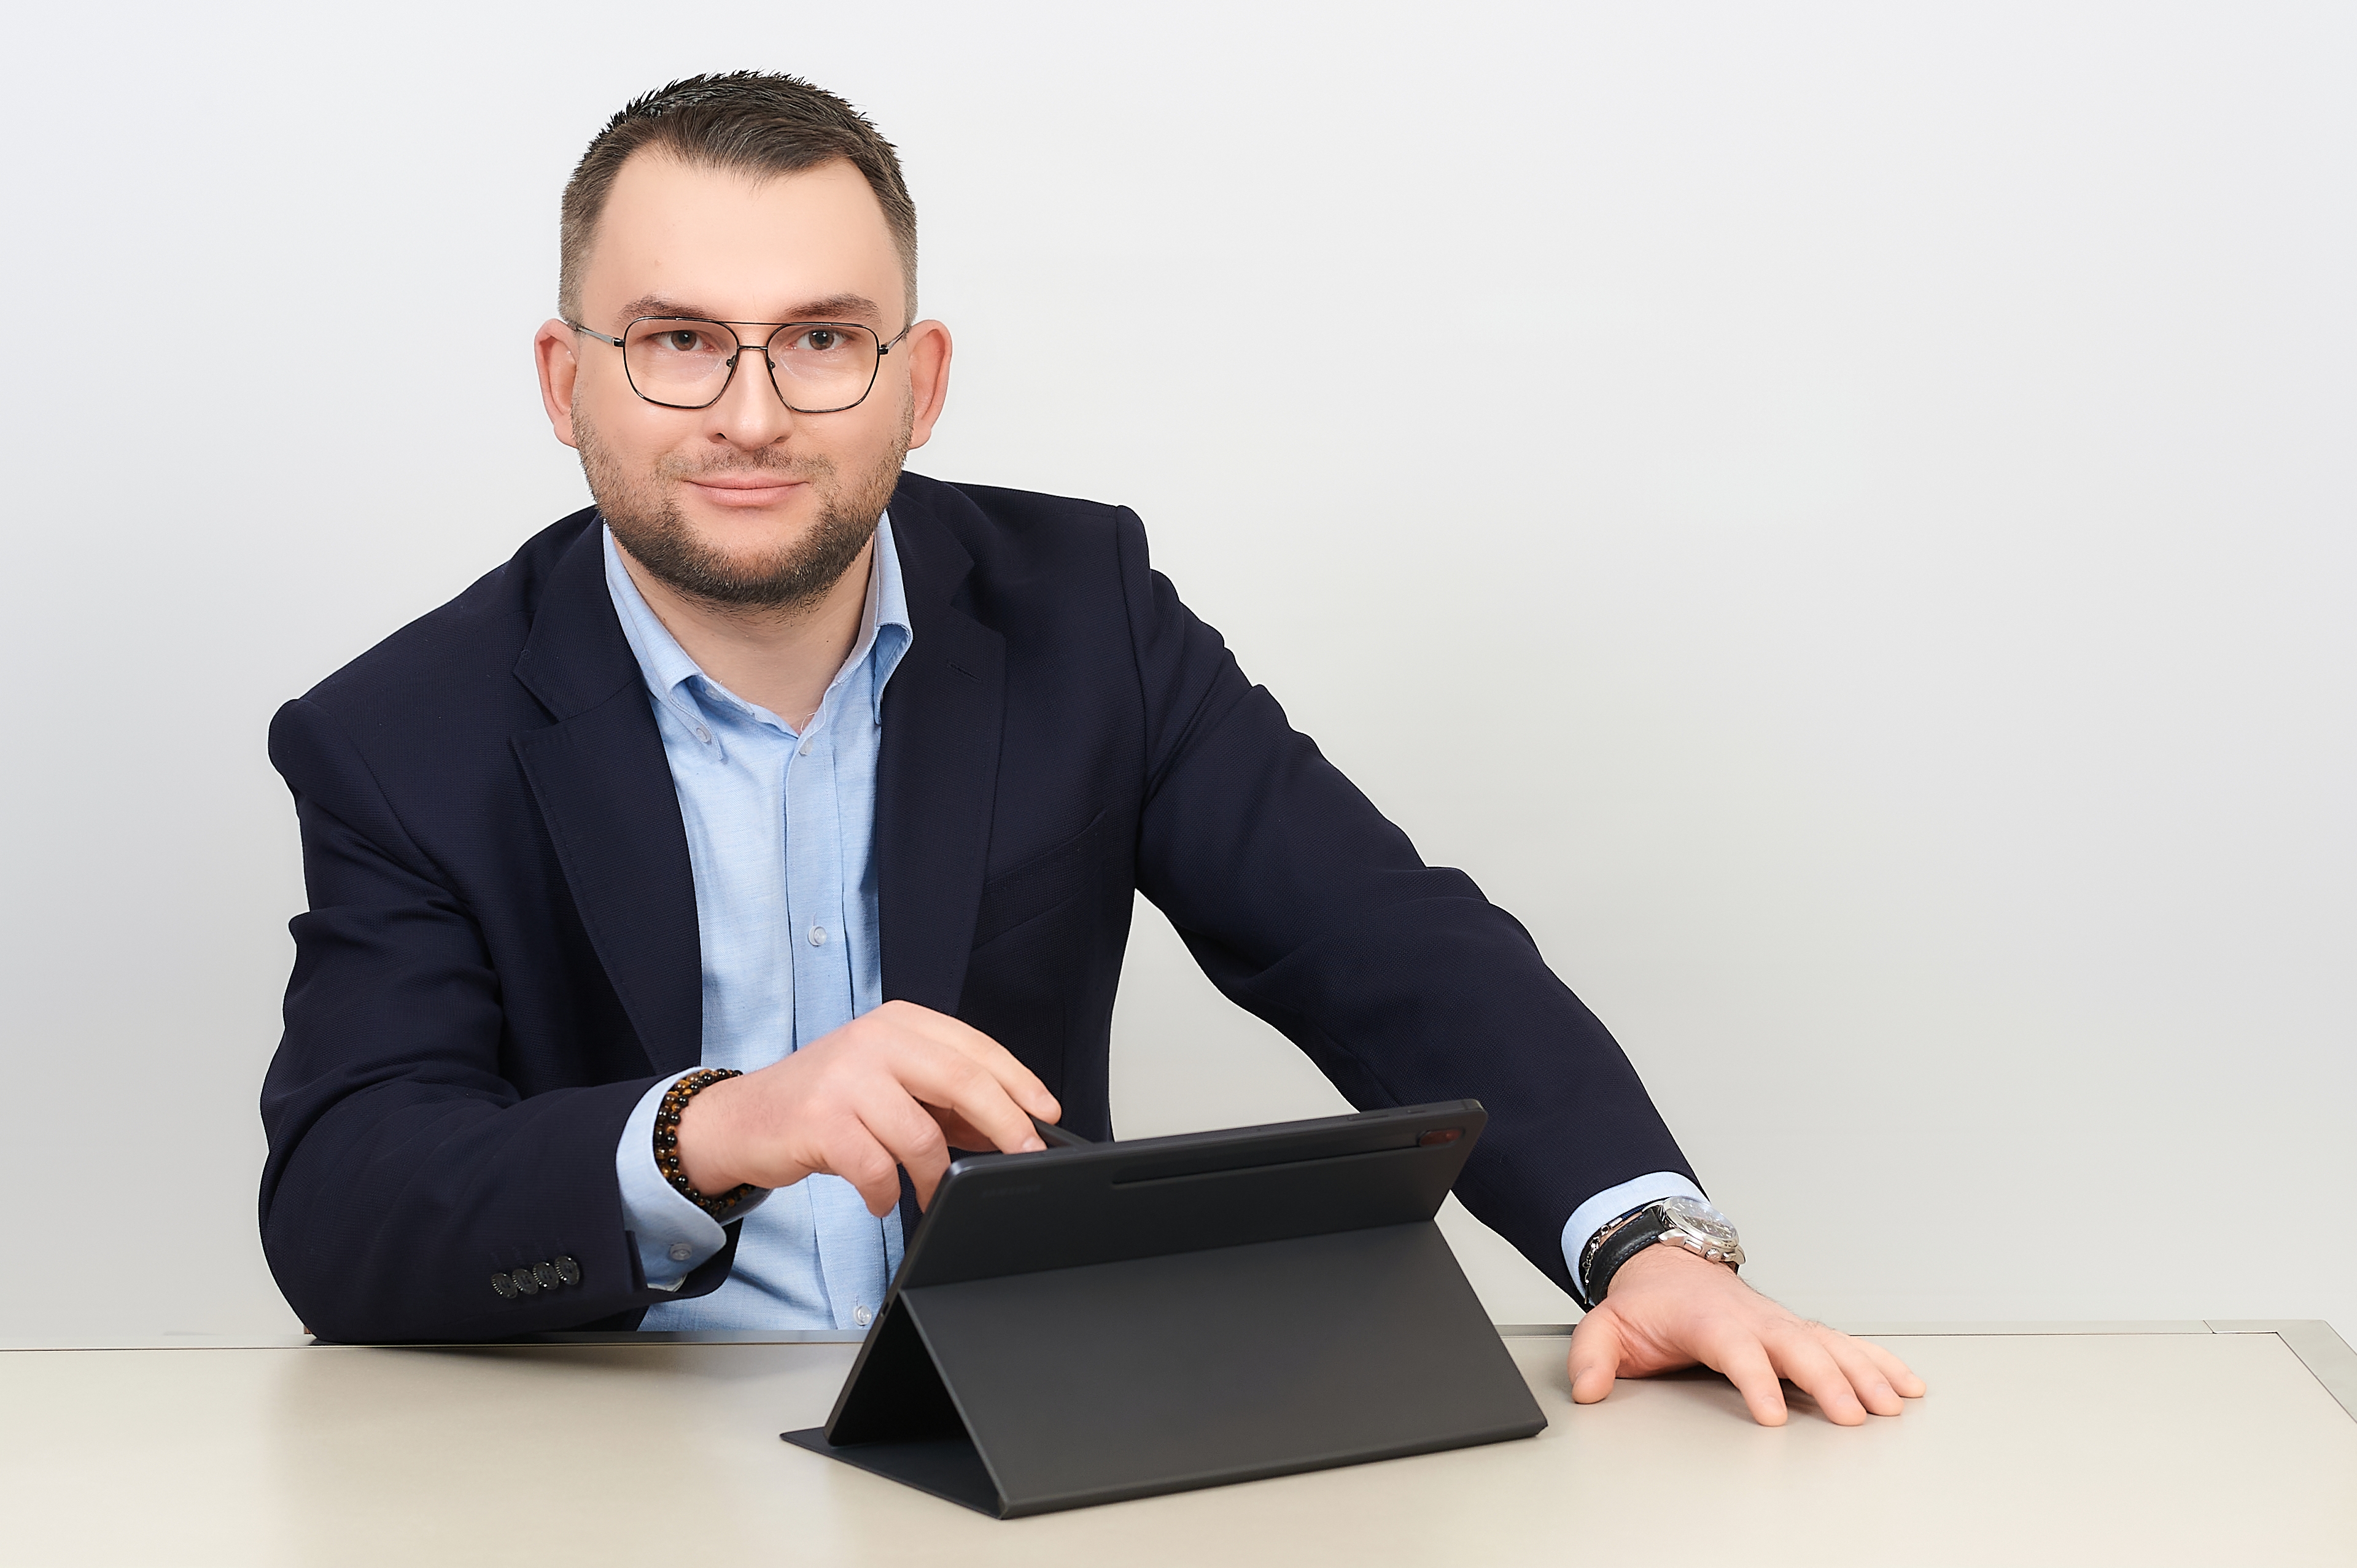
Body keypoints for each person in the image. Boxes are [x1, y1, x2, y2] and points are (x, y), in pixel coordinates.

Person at [261, 71, 1922, 1427]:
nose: (751, 414)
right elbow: (344, 1203)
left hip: (1028, 1435)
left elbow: (1380, 939)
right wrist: (716, 1125)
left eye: (823, 339)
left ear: (920, 381)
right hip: (593, 1462)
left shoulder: (1086, 610)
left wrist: (1645, 1238)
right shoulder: (399, 735)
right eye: (677, 339)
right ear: (566, 381)